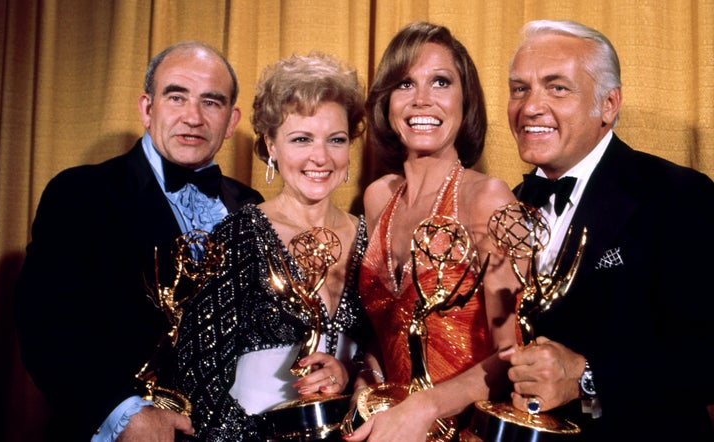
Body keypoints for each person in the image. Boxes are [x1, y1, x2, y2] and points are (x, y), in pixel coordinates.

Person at [14, 41, 264, 441]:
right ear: (147, 109)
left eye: (211, 102)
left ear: (231, 120)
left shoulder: (250, 205)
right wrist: (123, 413)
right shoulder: (82, 193)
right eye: (176, 96)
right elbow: (46, 326)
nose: (193, 117)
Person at [500, 19, 714, 440]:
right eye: (519, 88)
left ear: (609, 104)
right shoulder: (507, 204)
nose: (530, 107)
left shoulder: (677, 195)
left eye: (557, 87)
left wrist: (587, 375)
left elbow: (706, 354)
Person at [172, 52, 372, 441]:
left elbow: (383, 350)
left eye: (336, 140)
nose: (321, 157)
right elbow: (199, 374)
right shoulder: (240, 234)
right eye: (301, 139)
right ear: (271, 145)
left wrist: (348, 371)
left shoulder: (369, 236)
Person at [343, 21, 521, 442]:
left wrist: (425, 408)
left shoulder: (487, 198)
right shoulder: (377, 198)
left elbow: (514, 353)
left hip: (464, 429)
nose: (421, 99)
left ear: (466, 100)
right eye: (405, 83)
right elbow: (386, 328)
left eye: (440, 82)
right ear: (387, 102)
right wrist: (365, 379)